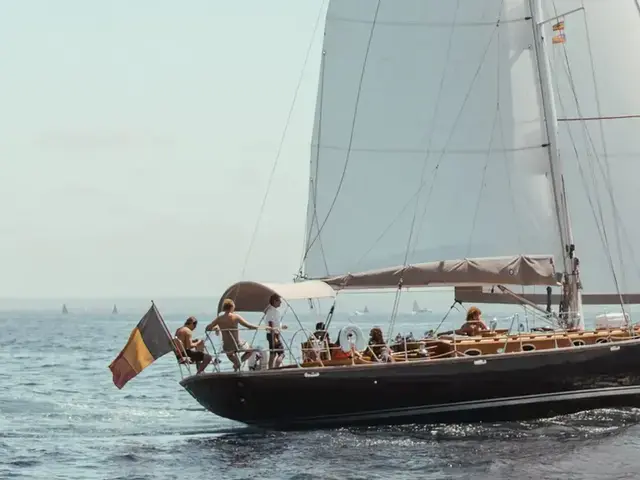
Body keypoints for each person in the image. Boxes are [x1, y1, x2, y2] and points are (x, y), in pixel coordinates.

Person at [205, 298, 262, 372]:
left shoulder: (219, 319)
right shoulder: (235, 317)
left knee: (232, 356)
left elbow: (207, 328)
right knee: (250, 350)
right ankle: (239, 363)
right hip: (236, 345)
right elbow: (249, 326)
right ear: (231, 307)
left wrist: (216, 328)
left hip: (226, 347)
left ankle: (237, 364)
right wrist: (261, 327)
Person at [264, 294, 287, 369]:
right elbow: (271, 324)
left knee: (273, 354)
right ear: (275, 301)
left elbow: (275, 323)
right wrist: (274, 338)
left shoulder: (273, 311)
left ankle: (271, 369)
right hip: (273, 335)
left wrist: (281, 327)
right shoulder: (271, 311)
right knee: (282, 354)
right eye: (279, 301)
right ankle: (276, 368)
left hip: (273, 334)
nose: (280, 302)